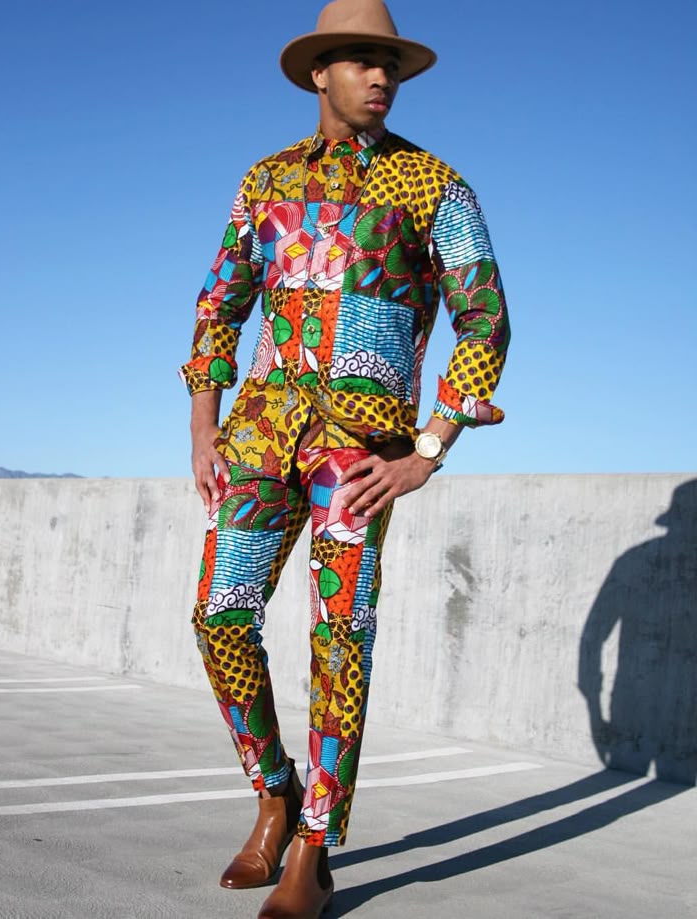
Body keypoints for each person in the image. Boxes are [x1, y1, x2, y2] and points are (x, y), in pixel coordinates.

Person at [180, 1, 510, 915]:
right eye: (362, 61)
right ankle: (273, 792)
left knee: (340, 637)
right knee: (218, 616)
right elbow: (220, 304)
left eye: (389, 64)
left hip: (359, 456)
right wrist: (204, 425)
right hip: (257, 435)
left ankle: (314, 847)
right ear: (318, 73)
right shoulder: (264, 181)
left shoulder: (433, 185)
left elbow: (486, 317)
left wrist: (428, 449)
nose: (380, 77)